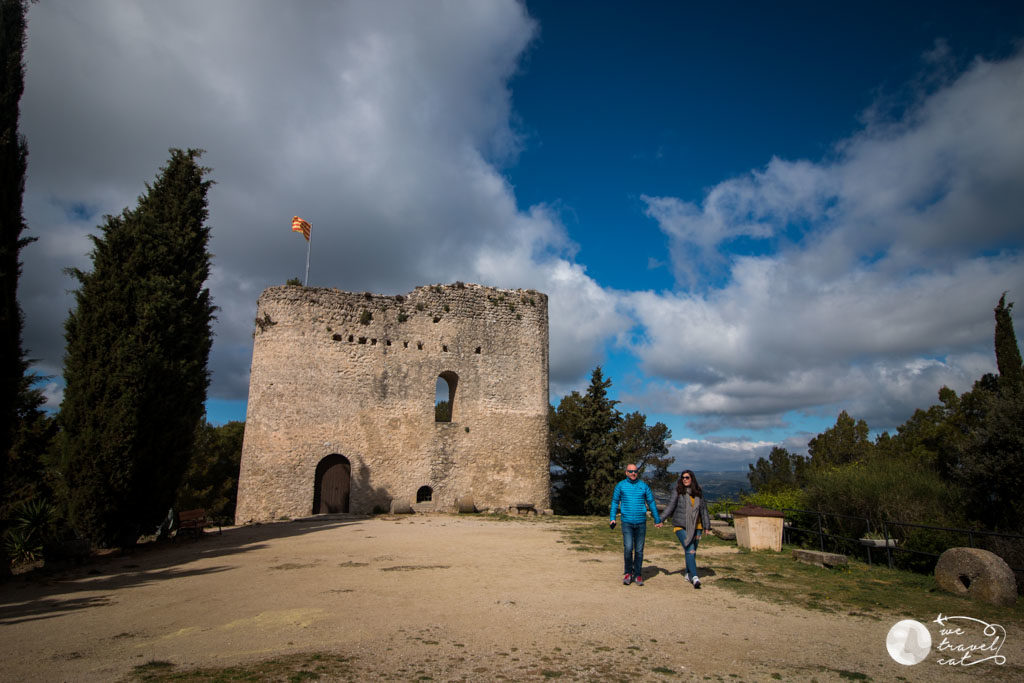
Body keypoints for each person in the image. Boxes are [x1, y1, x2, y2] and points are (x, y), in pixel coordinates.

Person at [610, 463, 662, 586]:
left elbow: (651, 502)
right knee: (628, 548)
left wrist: (657, 519)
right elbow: (615, 502)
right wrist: (612, 518)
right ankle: (628, 573)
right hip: (626, 522)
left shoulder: (643, 486)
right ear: (626, 472)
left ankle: (638, 574)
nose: (633, 473)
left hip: (641, 522)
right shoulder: (620, 486)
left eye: (635, 471)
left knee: (639, 550)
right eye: (631, 471)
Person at [660, 469, 711, 589]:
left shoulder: (698, 492)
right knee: (690, 549)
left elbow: (703, 510)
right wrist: (660, 519)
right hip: (681, 525)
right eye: (683, 477)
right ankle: (695, 577)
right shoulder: (678, 491)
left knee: (691, 552)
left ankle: (688, 573)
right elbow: (670, 507)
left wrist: (707, 526)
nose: (685, 479)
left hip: (697, 527)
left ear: (691, 479)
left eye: (687, 477)